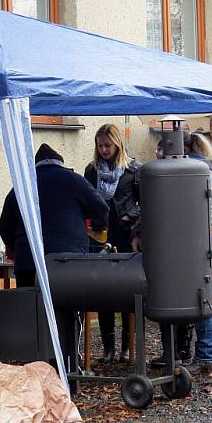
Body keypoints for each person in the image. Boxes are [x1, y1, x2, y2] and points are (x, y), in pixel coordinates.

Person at [0, 143, 109, 288]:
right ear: (60, 164)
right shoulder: (74, 180)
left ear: (35, 166)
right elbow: (101, 209)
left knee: (31, 307)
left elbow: (4, 226)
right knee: (68, 307)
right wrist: (97, 229)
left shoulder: (22, 186)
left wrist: (18, 247)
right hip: (69, 262)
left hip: (29, 261)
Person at [84, 124, 141, 362]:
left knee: (129, 293)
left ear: (118, 144)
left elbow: (145, 202)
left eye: (108, 145)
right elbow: (86, 198)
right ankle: (108, 347)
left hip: (126, 236)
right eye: (100, 146)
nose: (104, 150)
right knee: (103, 291)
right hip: (100, 236)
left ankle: (128, 346)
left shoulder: (132, 170)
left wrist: (132, 216)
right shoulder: (93, 170)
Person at [183, 131, 212, 375]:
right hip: (206, 239)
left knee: (203, 298)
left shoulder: (195, 172)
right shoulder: (204, 169)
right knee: (204, 297)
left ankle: (207, 353)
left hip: (200, 241)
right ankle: (207, 352)